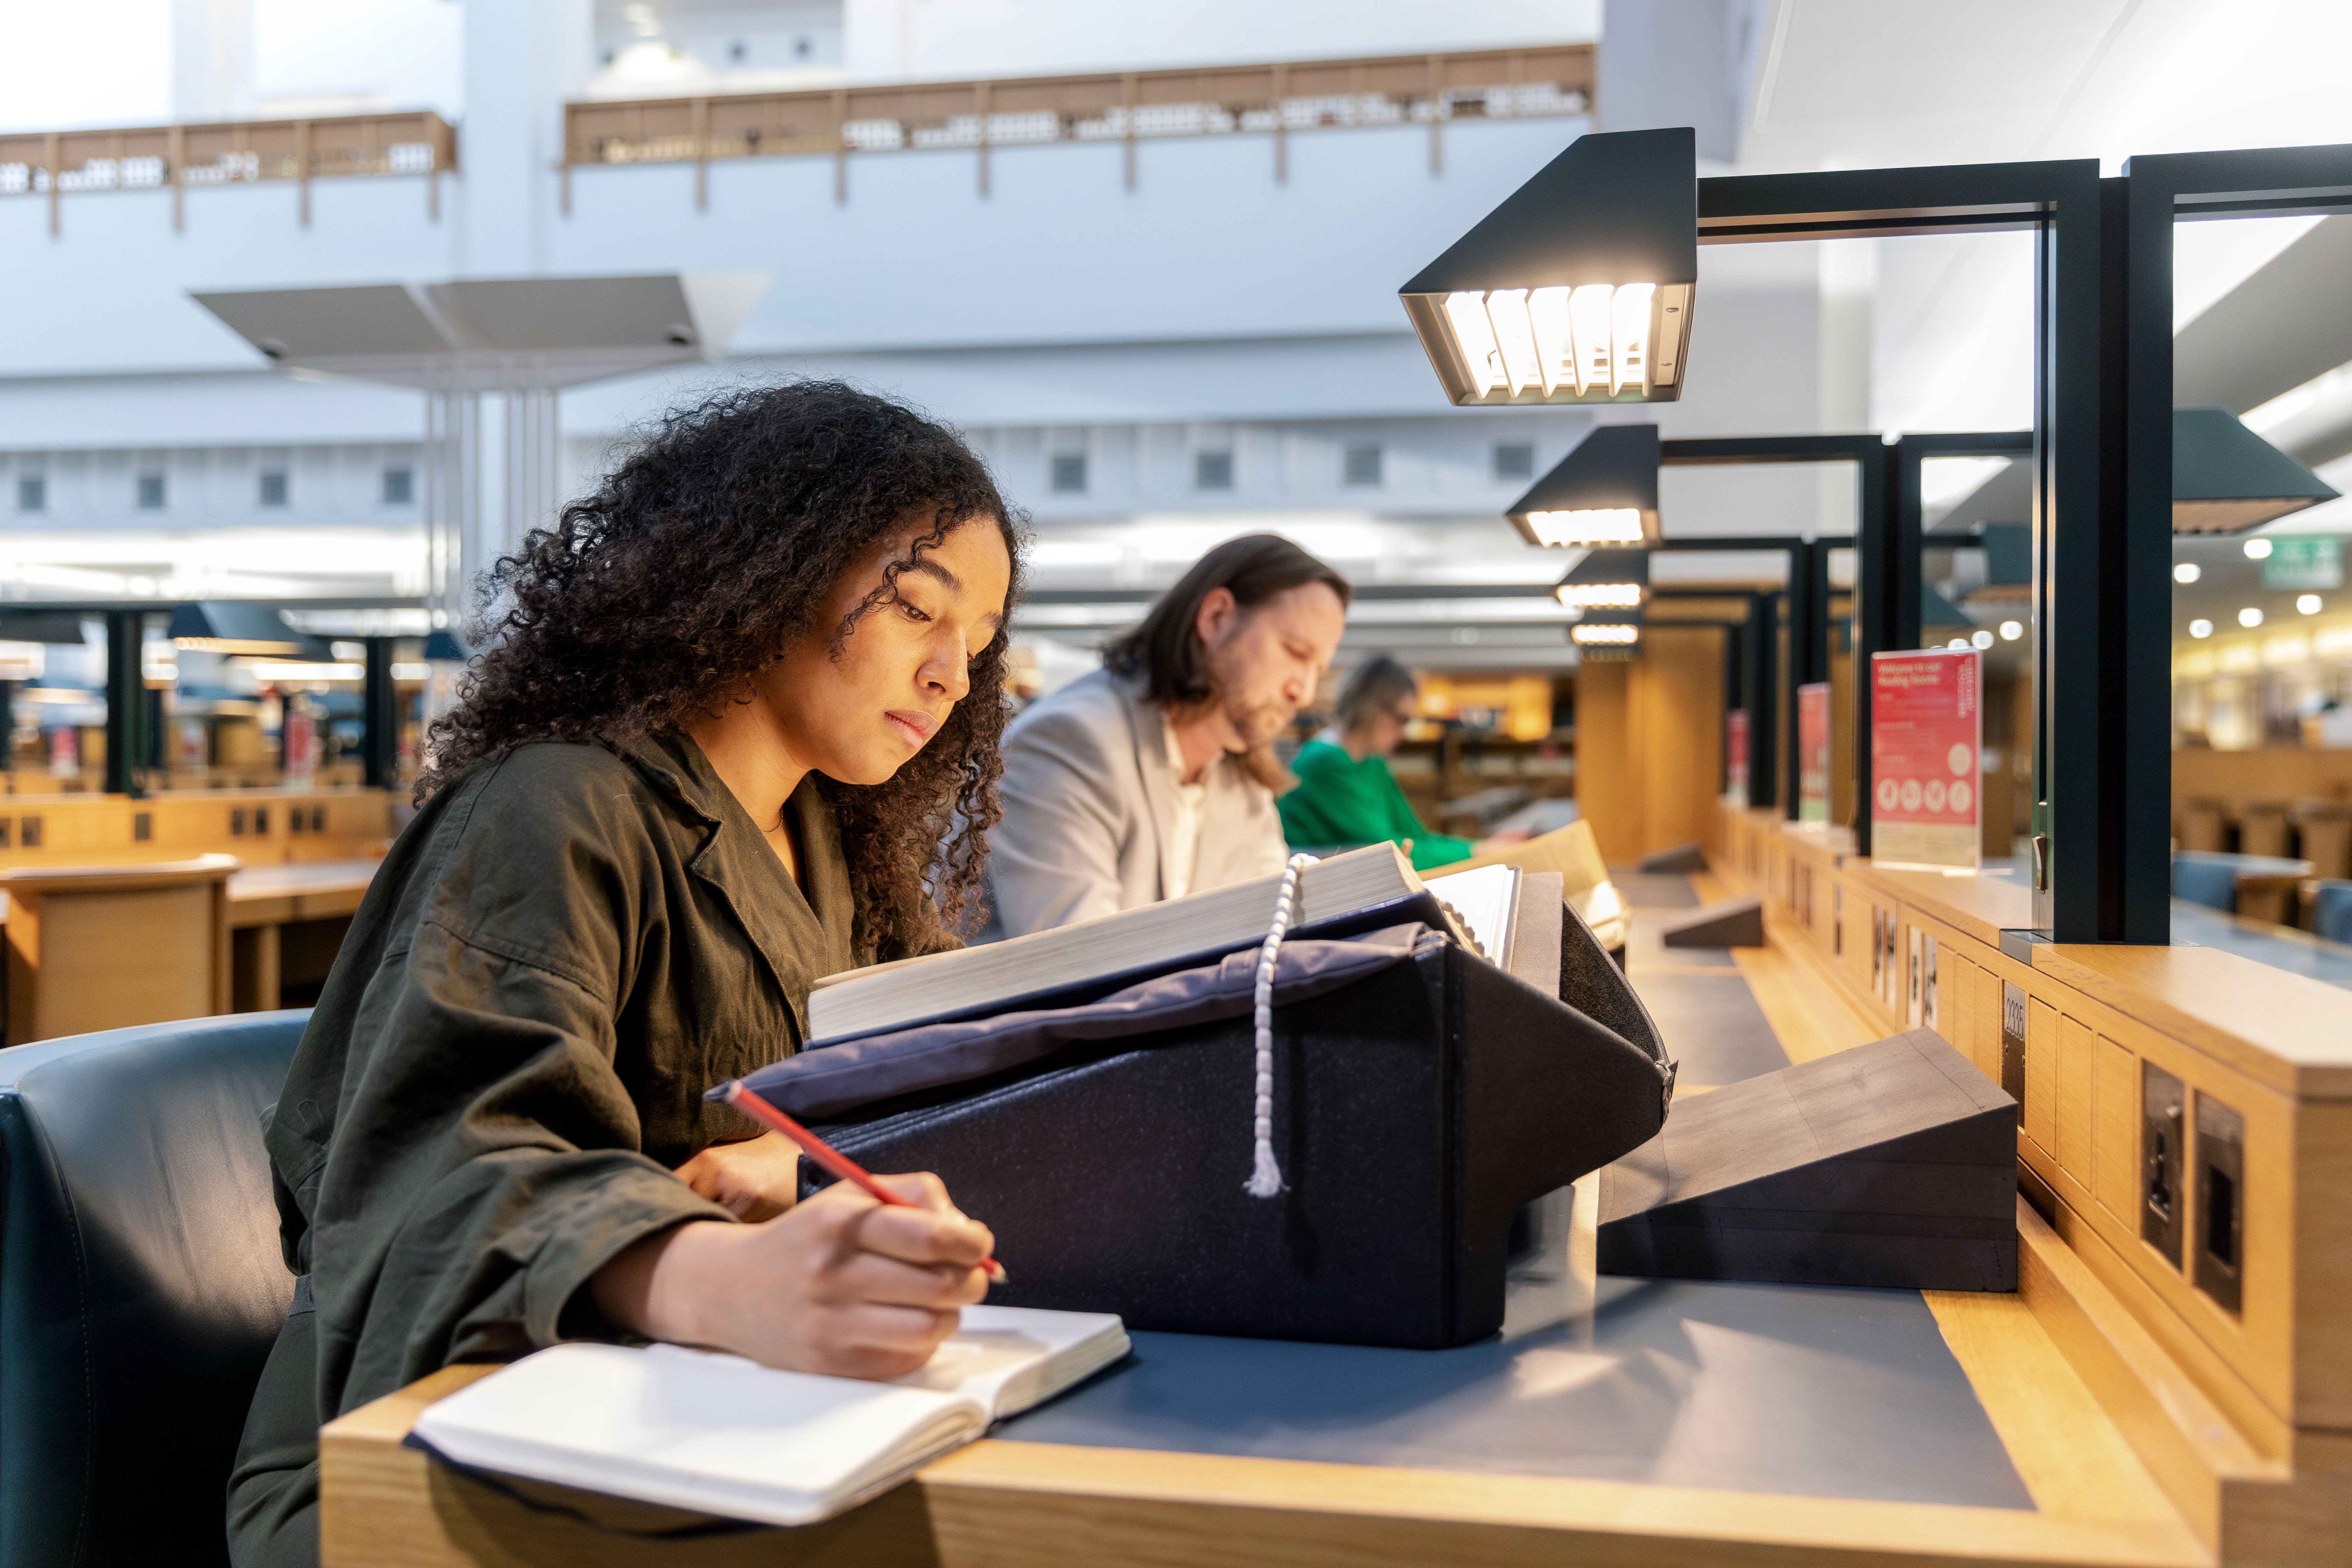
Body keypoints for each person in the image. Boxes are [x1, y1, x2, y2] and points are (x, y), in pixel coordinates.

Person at [227, 383, 1023, 1568]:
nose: (953, 674)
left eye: (978, 642)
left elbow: (938, 1079)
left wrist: (804, 1165)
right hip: (421, 1452)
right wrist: (727, 1278)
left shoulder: (841, 859)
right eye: (918, 609)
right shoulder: (556, 810)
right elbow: (454, 1174)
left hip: (705, 1409)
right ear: (769, 569)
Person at [988, 534, 1349, 935]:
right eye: (1297, 653)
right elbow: (1077, 964)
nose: (1304, 692)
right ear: (1216, 618)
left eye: (1319, 670)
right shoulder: (1069, 741)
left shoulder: (1243, 785)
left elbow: (1270, 936)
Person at [1279, 654, 1530, 870]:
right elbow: (1390, 854)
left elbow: (1413, 837)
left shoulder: (1371, 762)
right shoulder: (1324, 763)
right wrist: (1480, 851)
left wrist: (1481, 847)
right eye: (1402, 719)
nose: (1404, 733)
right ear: (1371, 708)